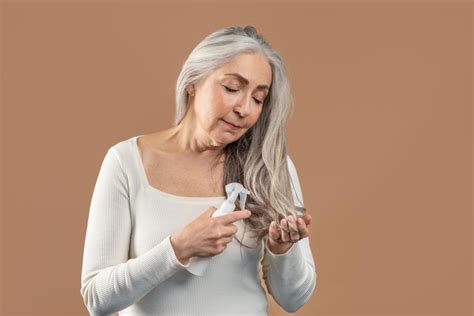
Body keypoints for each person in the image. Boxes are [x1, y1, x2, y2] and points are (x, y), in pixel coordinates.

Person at [80, 25, 317, 315]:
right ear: (193, 82)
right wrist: (178, 248)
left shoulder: (269, 167)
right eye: (232, 88)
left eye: (258, 98)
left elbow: (294, 299)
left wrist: (283, 251)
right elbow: (97, 298)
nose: (244, 108)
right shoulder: (126, 162)